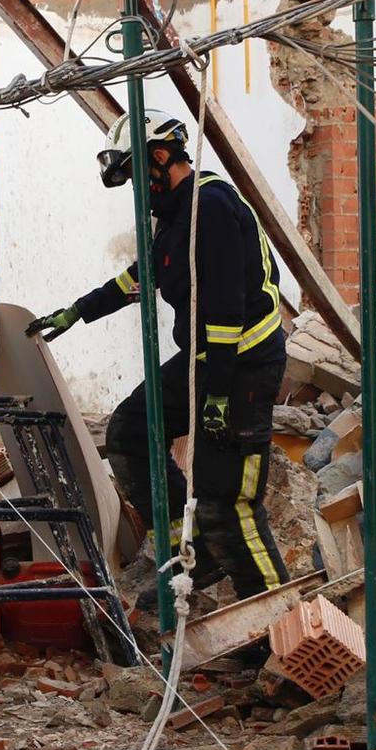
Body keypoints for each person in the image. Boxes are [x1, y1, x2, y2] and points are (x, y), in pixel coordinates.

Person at [29, 111, 290, 609]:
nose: (133, 188)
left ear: (162, 156)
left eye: (134, 174)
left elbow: (224, 311)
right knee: (130, 430)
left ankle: (279, 627)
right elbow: (144, 273)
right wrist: (79, 312)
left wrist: (214, 394)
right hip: (206, 361)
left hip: (241, 366)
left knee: (228, 507)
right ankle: (193, 551)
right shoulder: (175, 215)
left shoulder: (209, 207)